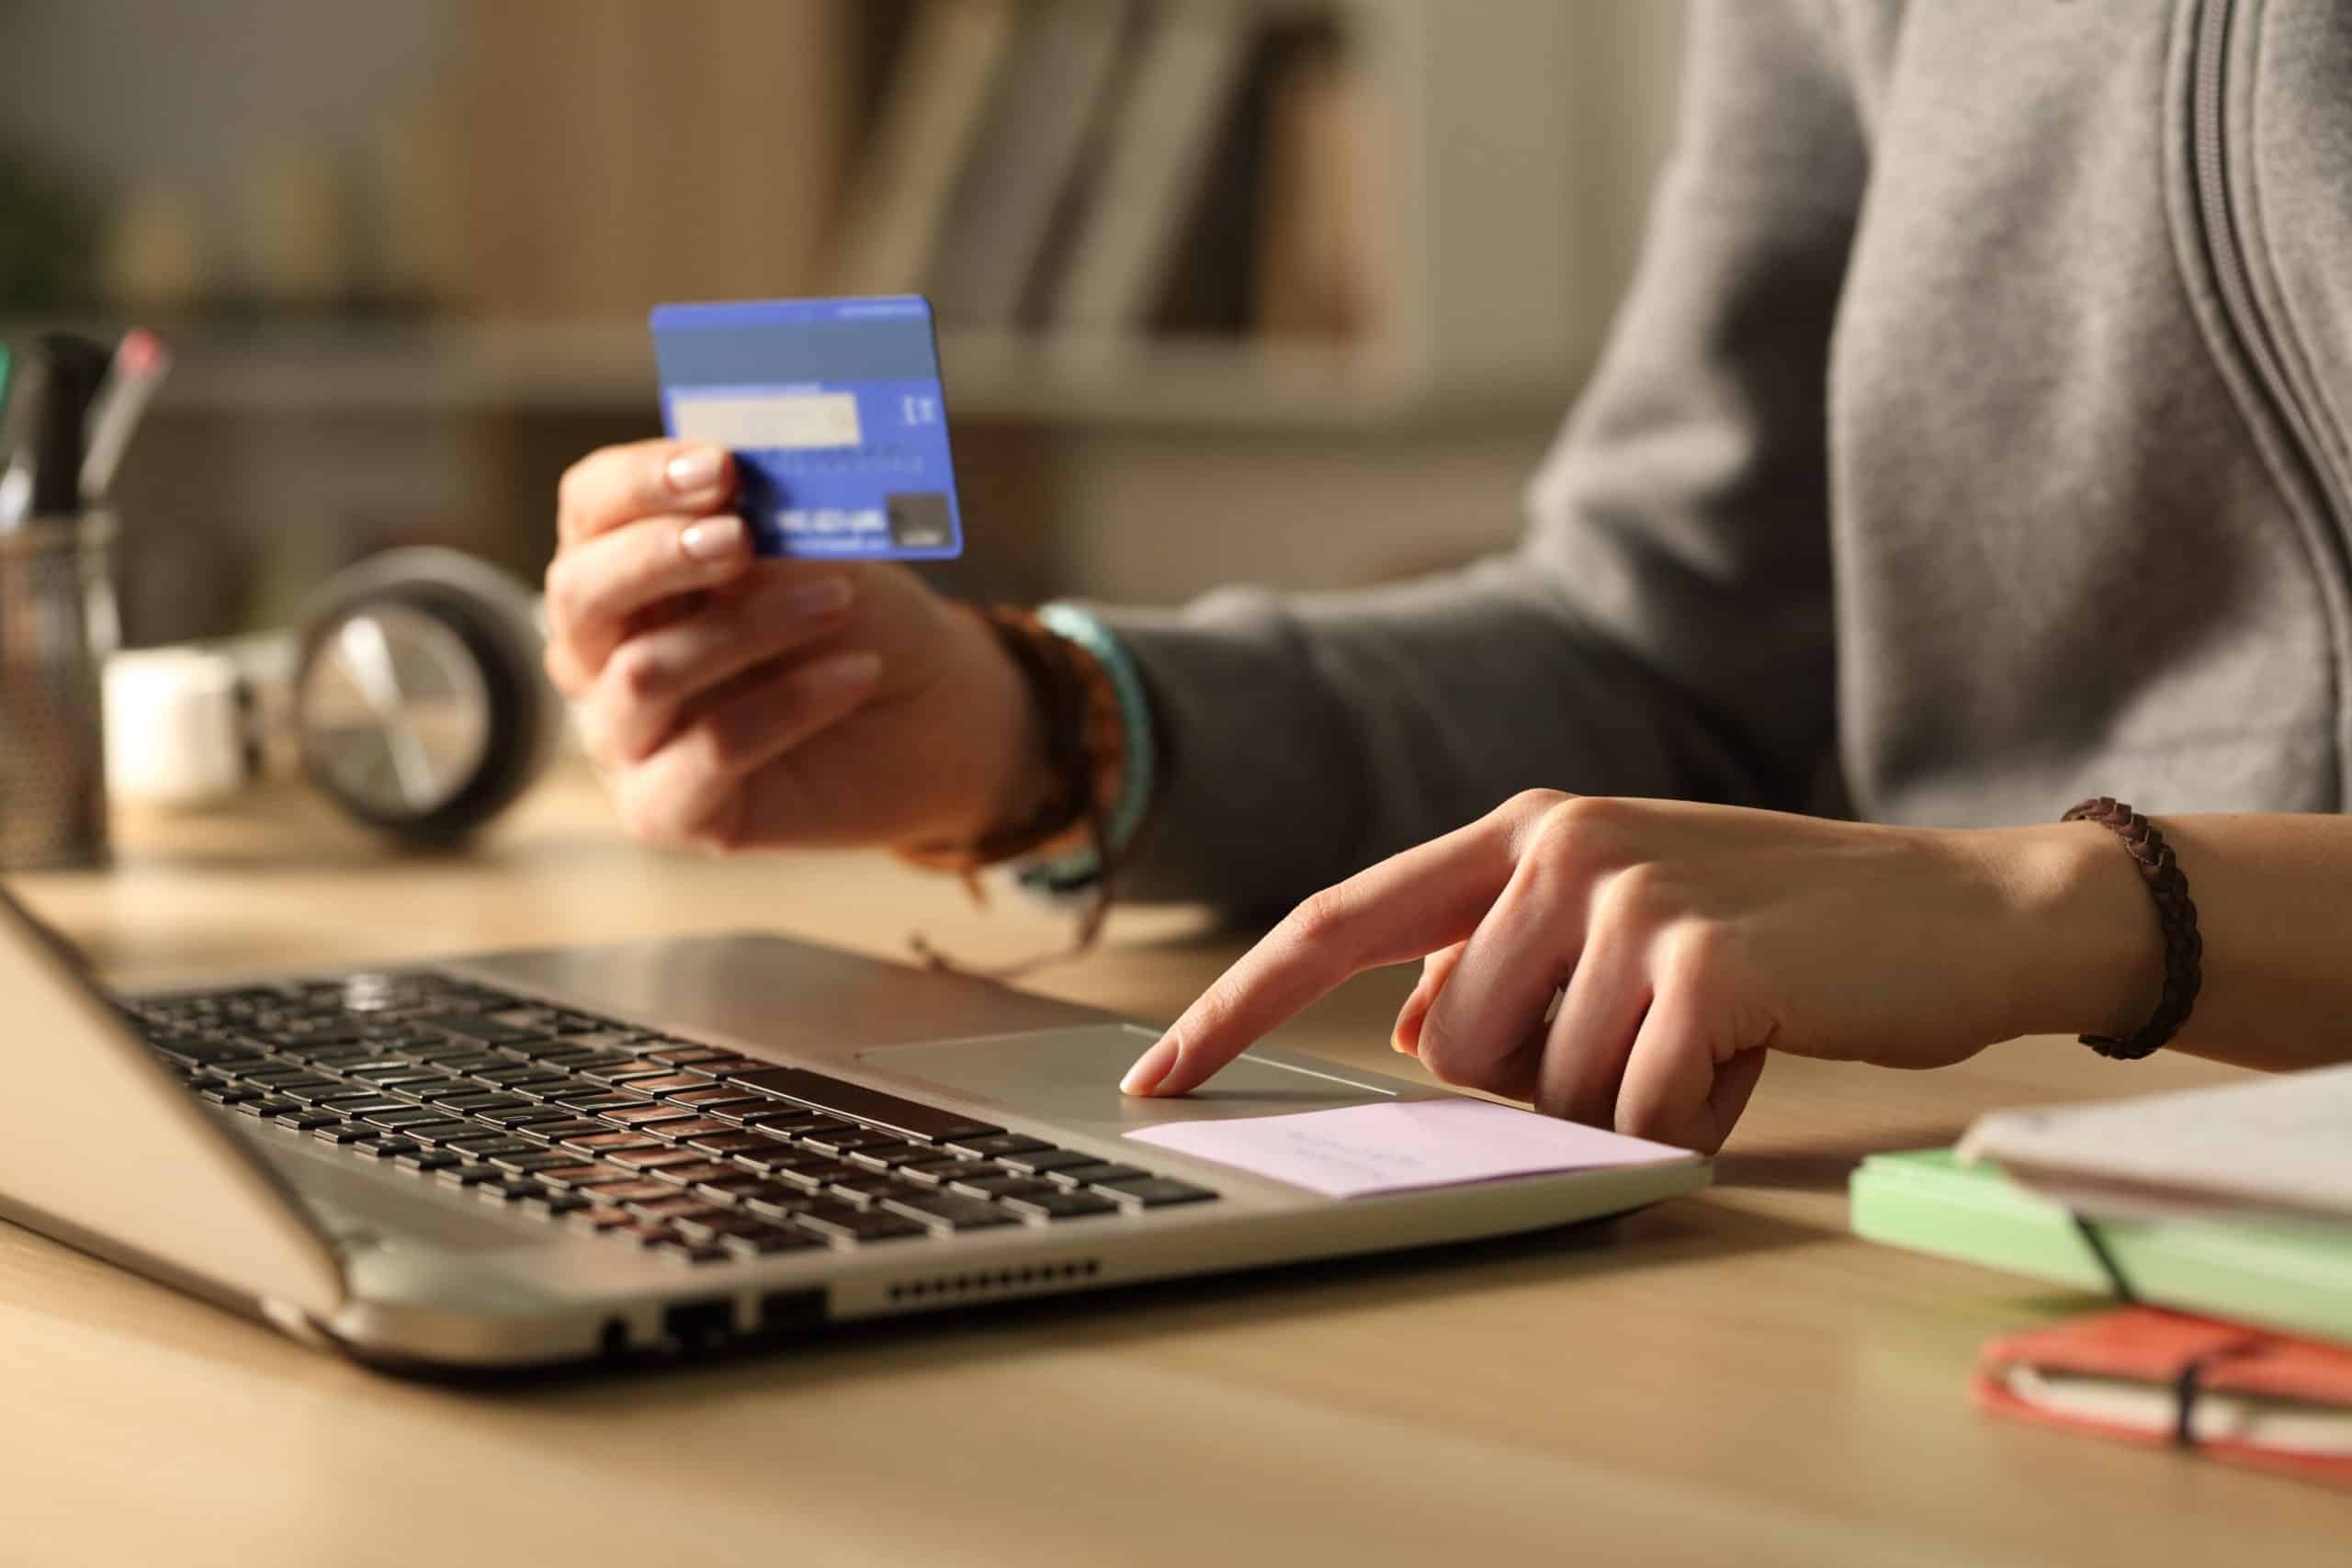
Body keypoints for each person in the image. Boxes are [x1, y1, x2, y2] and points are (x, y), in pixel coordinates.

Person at [542, 2, 2352, 1155]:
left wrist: (2066, 904)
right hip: (1968, 1208)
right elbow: (1666, 646)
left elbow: (1995, 893)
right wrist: (1043, 728)